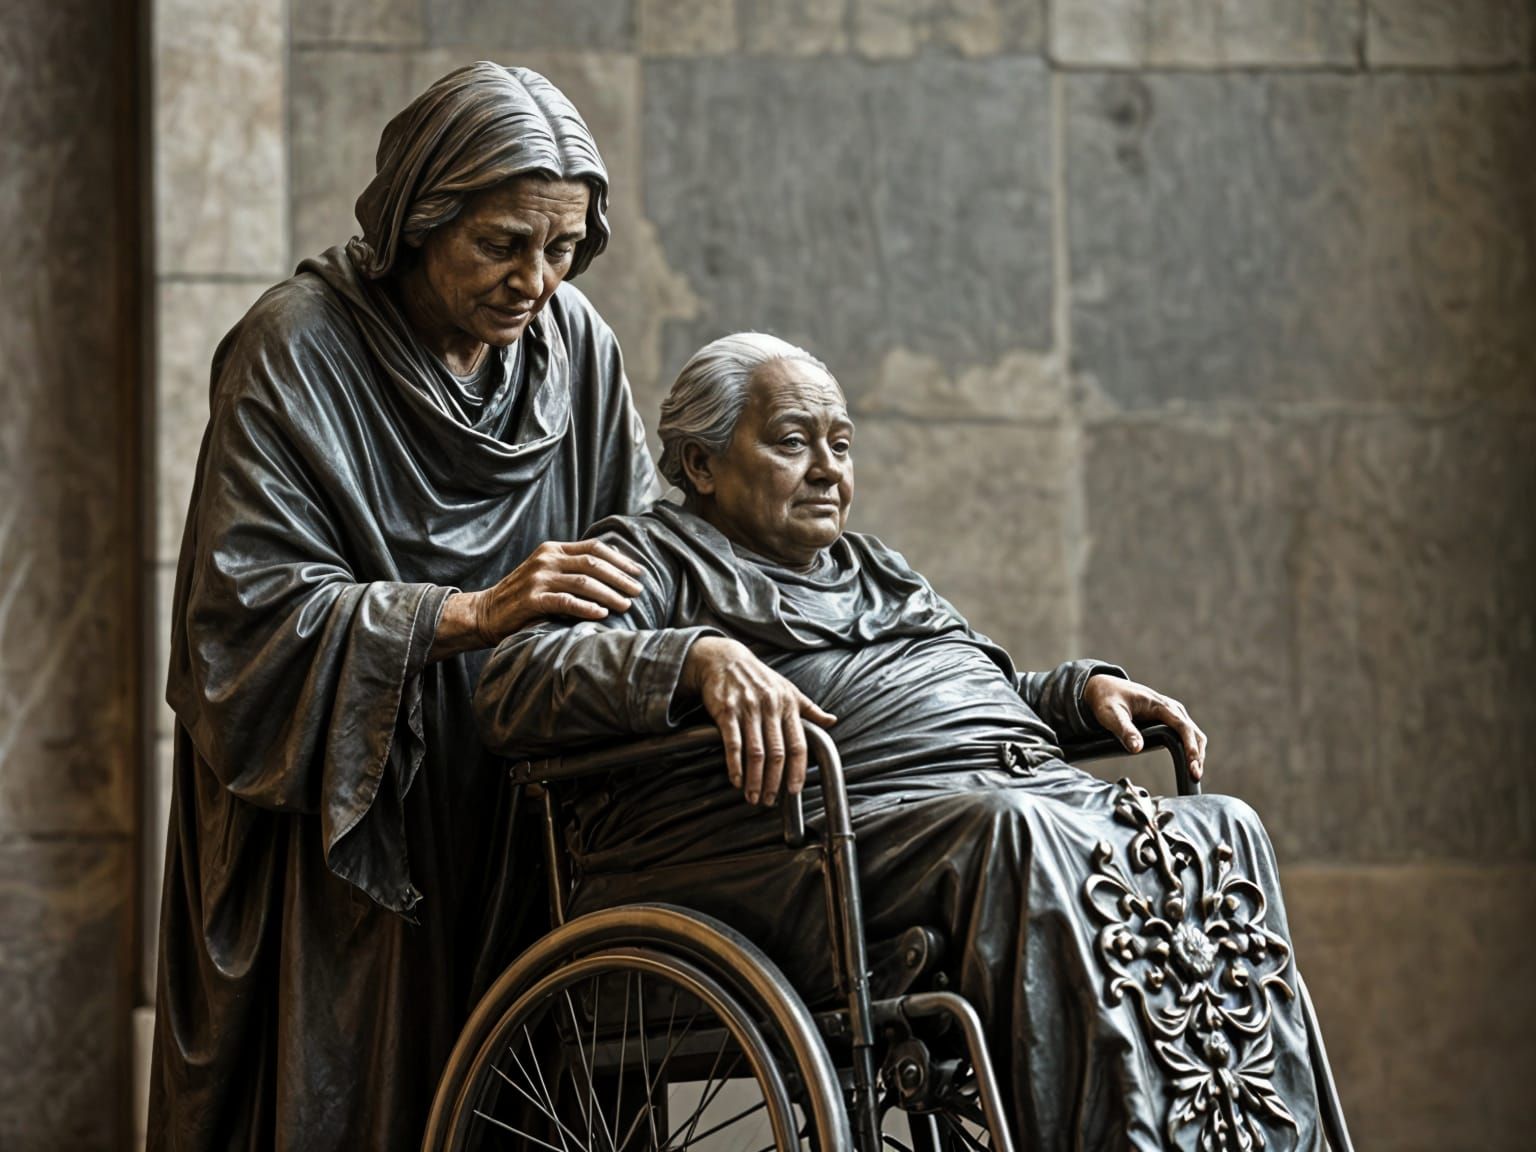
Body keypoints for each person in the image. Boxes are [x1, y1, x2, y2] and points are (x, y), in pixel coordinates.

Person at [474, 332, 1347, 1151]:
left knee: (1221, 828)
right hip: (791, 848)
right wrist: (694, 657)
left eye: (842, 445)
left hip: (985, 795)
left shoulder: (878, 569)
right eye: (791, 443)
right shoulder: (651, 559)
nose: (827, 471)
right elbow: (512, 683)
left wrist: (1082, 694)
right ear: (700, 463)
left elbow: (979, 694)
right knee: (1015, 835)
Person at [149, 64, 661, 1150]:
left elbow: (649, 549)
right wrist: (467, 616)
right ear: (418, 221)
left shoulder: (578, 353)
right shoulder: (295, 348)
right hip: (347, 810)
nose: (537, 280)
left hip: (524, 794)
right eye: (503, 244)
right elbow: (240, 623)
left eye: (563, 250)